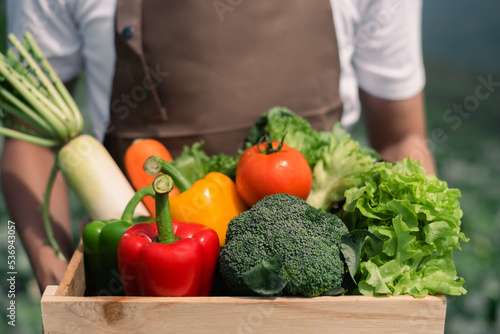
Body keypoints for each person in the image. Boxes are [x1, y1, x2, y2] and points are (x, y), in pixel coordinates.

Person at [4, 0, 436, 293]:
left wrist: (418, 253)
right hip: (132, 282)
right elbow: (30, 137)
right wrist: (51, 262)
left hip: (320, 291)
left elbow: (400, 136)